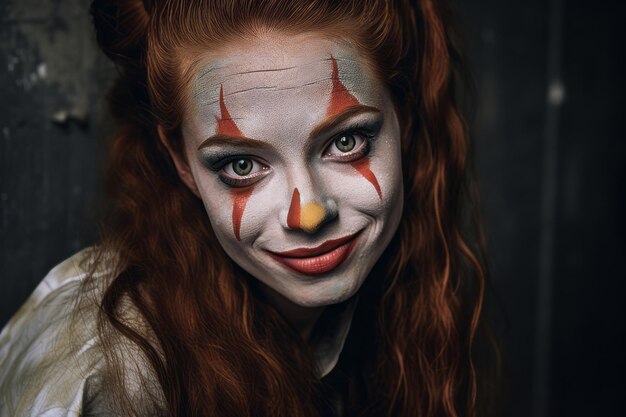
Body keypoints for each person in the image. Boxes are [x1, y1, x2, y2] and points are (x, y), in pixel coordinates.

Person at [0, 0, 493, 416]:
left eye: (347, 140)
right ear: (182, 162)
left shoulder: (380, 308)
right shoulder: (116, 372)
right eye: (240, 165)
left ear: (403, 118)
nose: (308, 214)